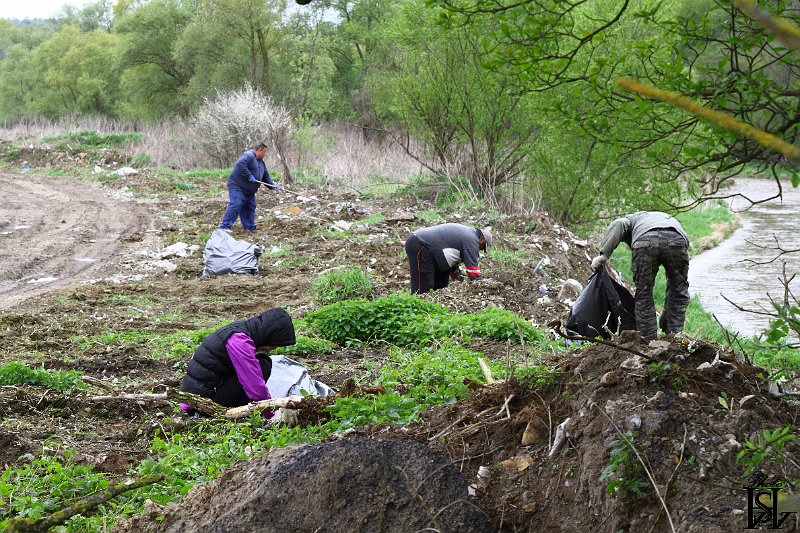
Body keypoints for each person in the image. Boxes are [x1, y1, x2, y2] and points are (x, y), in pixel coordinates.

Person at [591, 211, 690, 340]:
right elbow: (675, 286)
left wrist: (604, 254)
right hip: (677, 241)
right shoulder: (667, 219)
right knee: (679, 292)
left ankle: (648, 341)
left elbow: (618, 223)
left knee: (644, 294)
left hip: (644, 241)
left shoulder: (630, 220)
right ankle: (675, 338)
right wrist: (667, 311)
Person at [179, 307, 296, 414]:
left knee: (262, 361)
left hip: (195, 398)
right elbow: (254, 384)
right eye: (274, 345)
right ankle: (237, 411)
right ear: (269, 335)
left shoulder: (238, 330)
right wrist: (269, 413)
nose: (273, 349)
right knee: (263, 365)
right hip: (200, 405)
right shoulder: (240, 342)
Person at [405, 223, 492, 294]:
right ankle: (416, 310)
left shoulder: (469, 235)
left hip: (434, 252)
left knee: (441, 286)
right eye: (482, 246)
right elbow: (473, 270)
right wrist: (481, 287)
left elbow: (452, 251)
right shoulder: (472, 240)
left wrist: (457, 273)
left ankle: (434, 313)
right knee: (423, 287)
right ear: (481, 239)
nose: (480, 249)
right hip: (420, 244)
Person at [219, 142, 280, 232]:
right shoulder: (248, 155)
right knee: (237, 203)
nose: (265, 154)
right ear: (259, 150)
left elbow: (265, 177)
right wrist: (249, 176)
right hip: (238, 186)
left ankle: (249, 227)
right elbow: (240, 164)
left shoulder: (261, 163)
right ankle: (224, 227)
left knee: (250, 207)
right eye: (264, 152)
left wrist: (273, 186)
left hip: (249, 190)